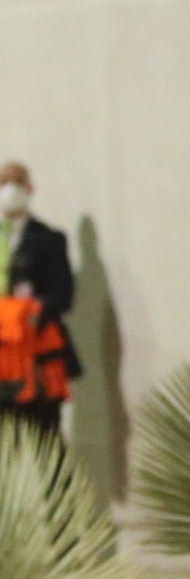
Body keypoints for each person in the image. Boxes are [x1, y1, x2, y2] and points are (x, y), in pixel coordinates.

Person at [0, 162, 78, 433]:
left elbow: (64, 295)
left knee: (41, 434)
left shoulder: (49, 239)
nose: (10, 188)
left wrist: (31, 310)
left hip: (35, 353)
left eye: (17, 181)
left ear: (29, 188)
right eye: (4, 181)